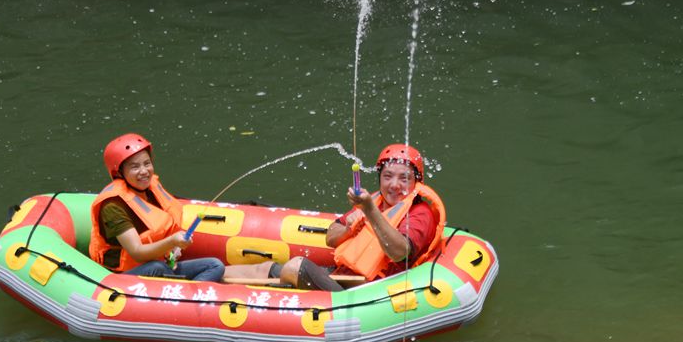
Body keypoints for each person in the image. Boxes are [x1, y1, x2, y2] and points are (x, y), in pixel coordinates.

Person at [226, 144, 445, 290]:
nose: (394, 185)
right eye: (387, 176)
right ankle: (199, 277)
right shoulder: (376, 200)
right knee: (265, 268)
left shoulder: (419, 213)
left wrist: (370, 211)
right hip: (340, 277)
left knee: (296, 267)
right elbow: (331, 237)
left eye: (403, 178)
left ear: (416, 182)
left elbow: (400, 253)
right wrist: (350, 227)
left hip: (368, 290)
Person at [87, 134, 225, 282]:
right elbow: (137, 253)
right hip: (123, 275)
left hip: (161, 263)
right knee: (157, 268)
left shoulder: (151, 189)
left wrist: (172, 250)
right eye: (135, 166)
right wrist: (172, 242)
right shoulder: (113, 206)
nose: (144, 171)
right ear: (119, 172)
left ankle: (184, 299)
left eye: (147, 163)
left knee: (215, 266)